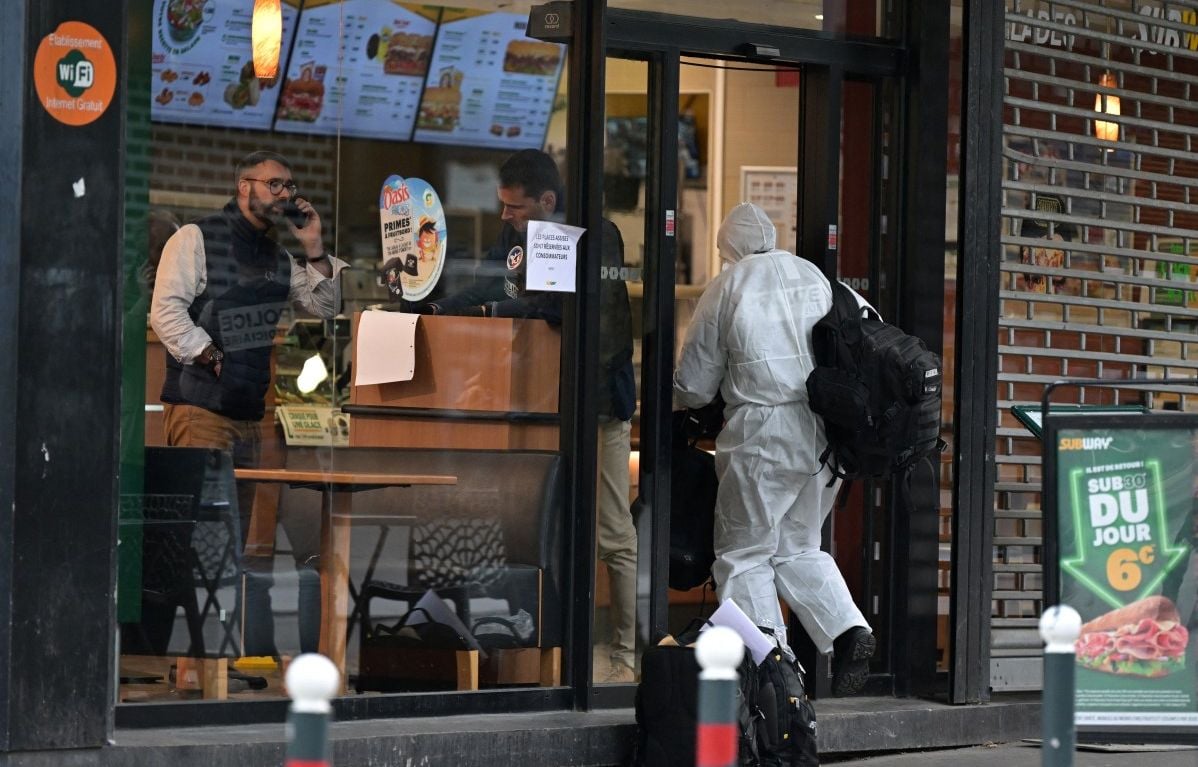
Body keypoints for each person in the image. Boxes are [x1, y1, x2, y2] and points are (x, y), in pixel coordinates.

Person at [421, 149, 639, 683]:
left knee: (612, 532)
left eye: (514, 207)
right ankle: (555, 650)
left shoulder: (595, 236)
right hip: (540, 406)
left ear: (546, 200)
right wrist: (441, 307)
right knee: (548, 529)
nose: (505, 216)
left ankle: (627, 652)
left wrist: (499, 310)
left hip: (596, 407)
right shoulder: (519, 235)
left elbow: (578, 316)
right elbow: (494, 283)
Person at [150, 149, 348, 658]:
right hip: (199, 408)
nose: (285, 194)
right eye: (274, 184)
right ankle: (188, 663)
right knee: (199, 539)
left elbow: (325, 307)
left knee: (230, 545)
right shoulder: (194, 238)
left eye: (289, 185)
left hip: (247, 415)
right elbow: (165, 312)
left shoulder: (279, 257)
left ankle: (216, 658)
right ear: (244, 186)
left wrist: (314, 246)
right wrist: (211, 356)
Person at [672, 202, 876, 696]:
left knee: (743, 554)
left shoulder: (729, 285)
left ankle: (774, 669)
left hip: (764, 435)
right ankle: (849, 630)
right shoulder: (819, 279)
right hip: (827, 433)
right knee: (797, 546)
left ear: (729, 248)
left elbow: (694, 385)